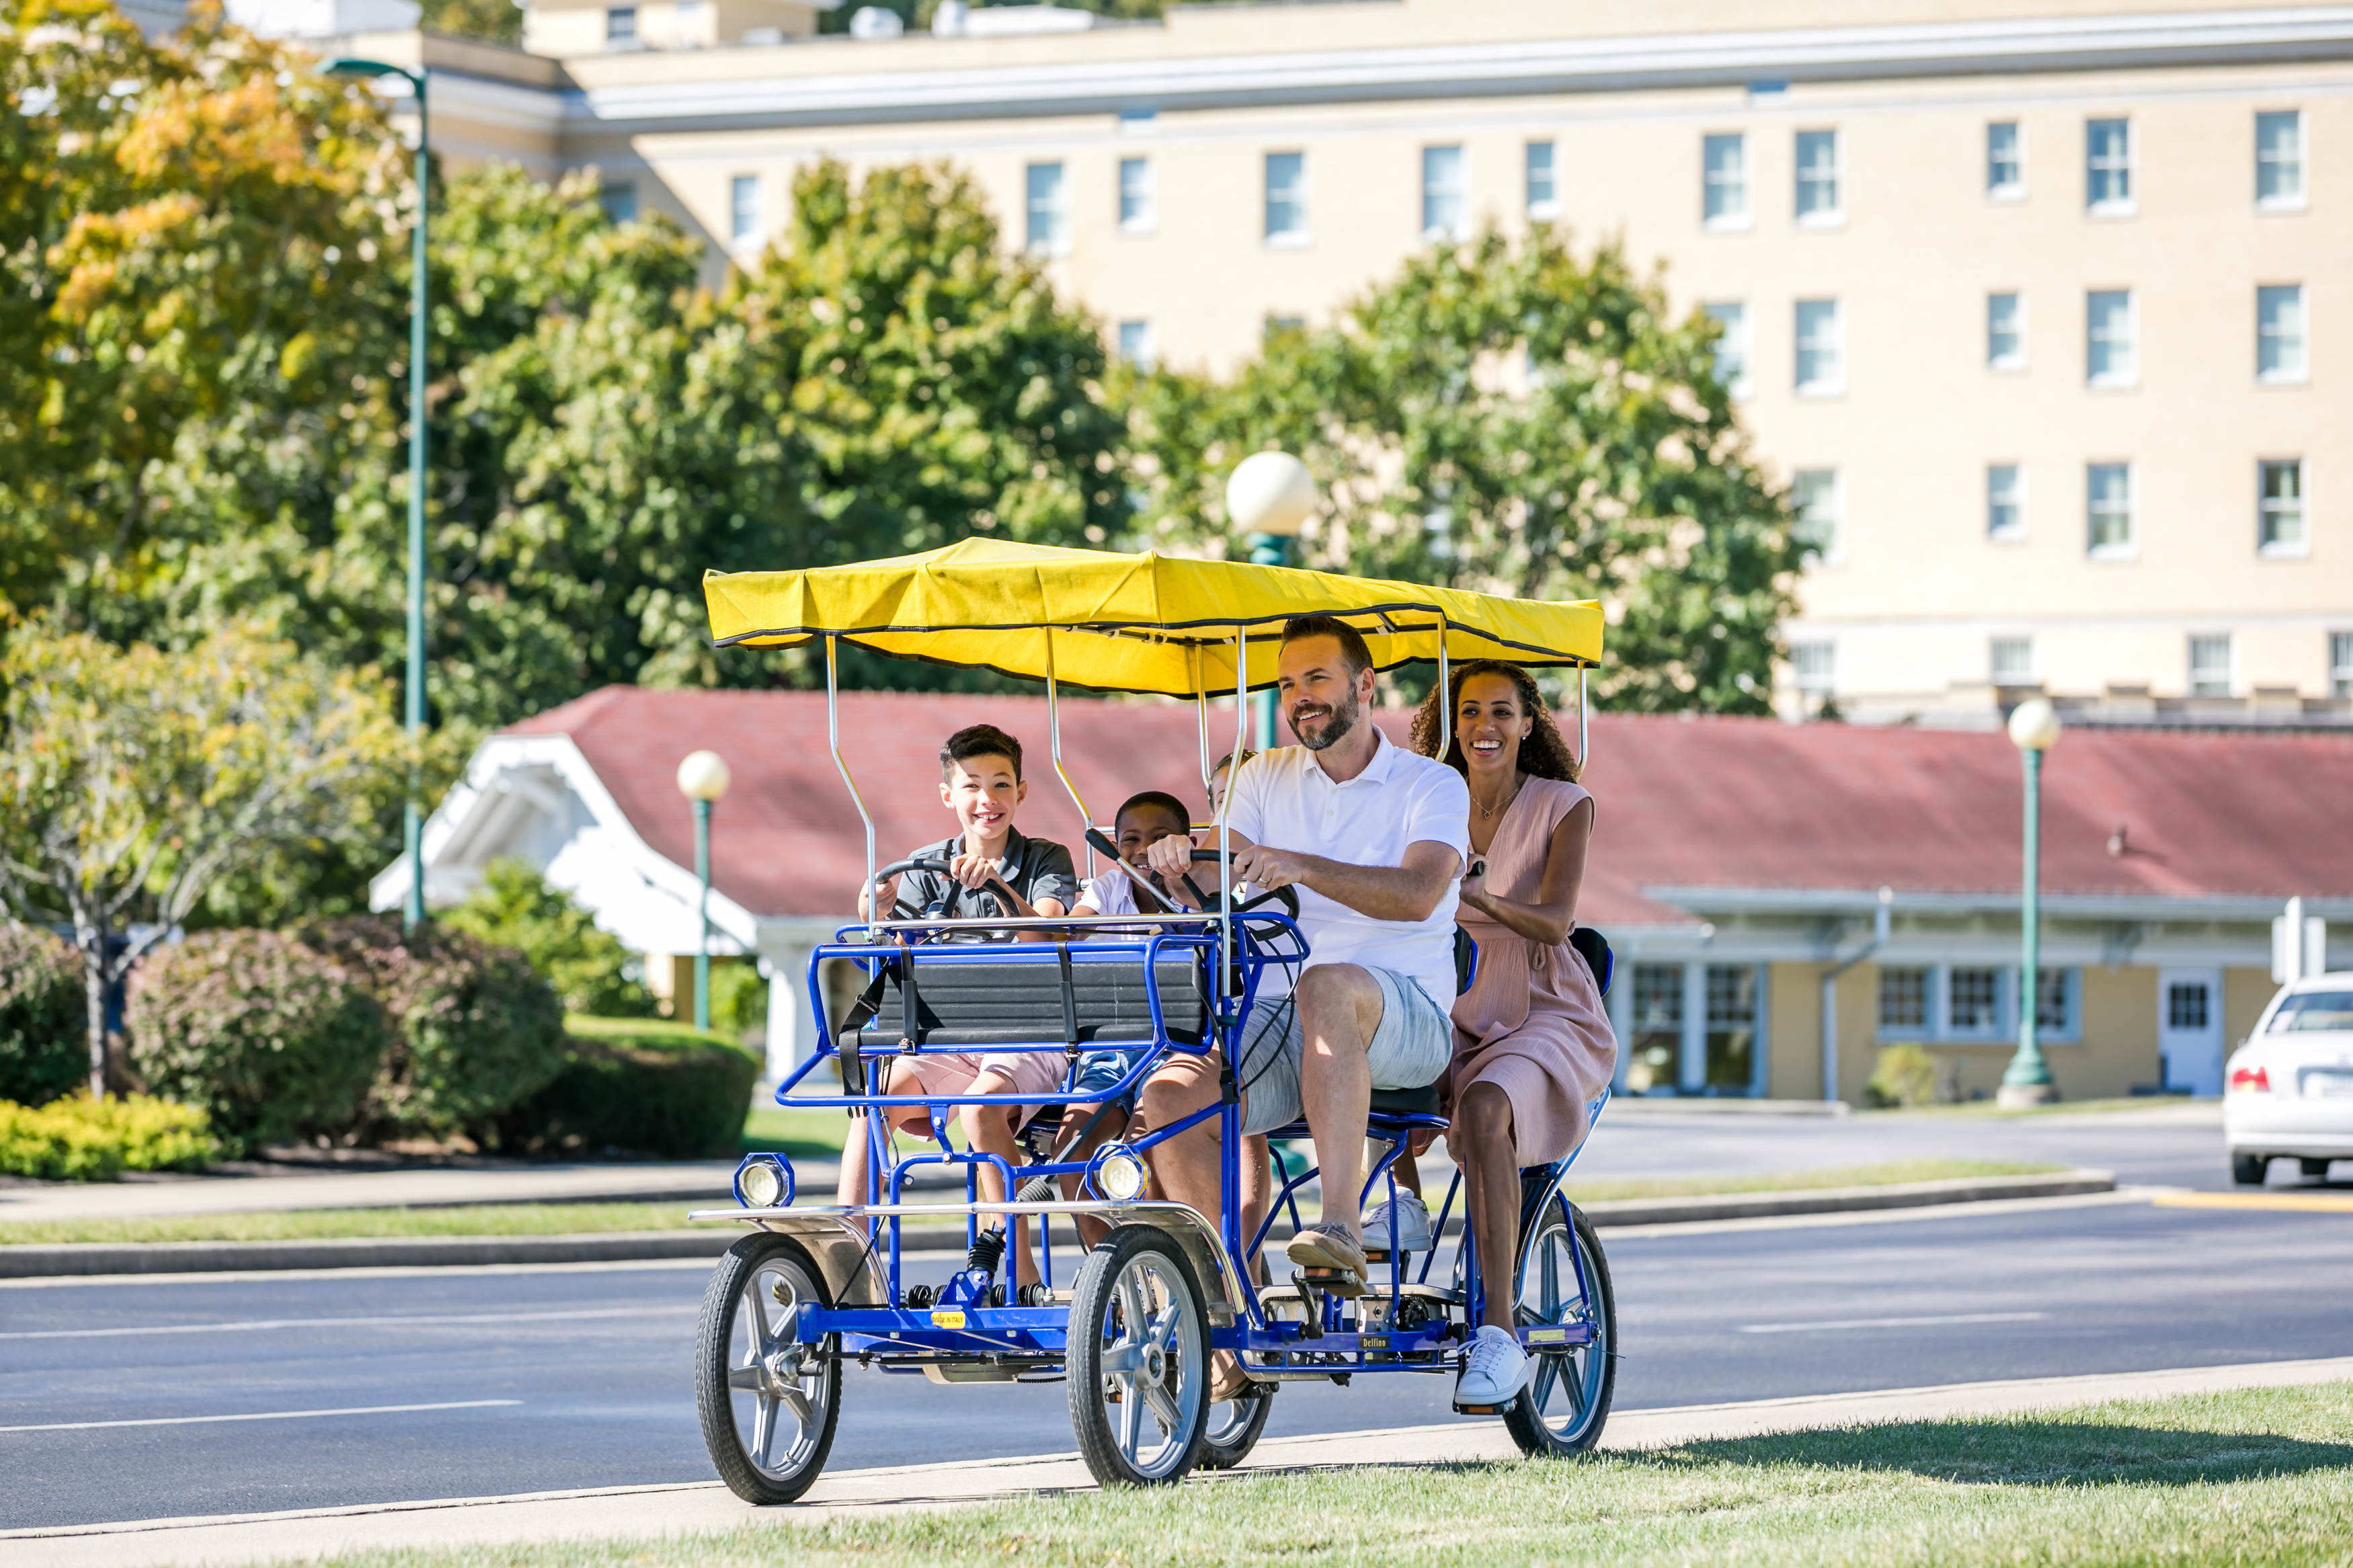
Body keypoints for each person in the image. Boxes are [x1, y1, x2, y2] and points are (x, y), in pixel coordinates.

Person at [1137, 615, 1466, 1347]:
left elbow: (1417, 892)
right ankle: (1217, 1292)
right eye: (1286, 683)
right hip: (1284, 1019)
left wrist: (1299, 864)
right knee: (1169, 1091)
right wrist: (1181, 850)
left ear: (1364, 684)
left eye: (1315, 678)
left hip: (1404, 1016)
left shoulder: (1432, 782)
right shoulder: (1261, 776)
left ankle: (1340, 1227)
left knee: (1325, 985)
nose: (1298, 696)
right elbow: (1226, 854)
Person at [1388, 659, 1616, 1410]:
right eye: (1468, 710)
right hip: (1447, 990)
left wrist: (1477, 895)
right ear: (1450, 723)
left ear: (1527, 723)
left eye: (1500, 711)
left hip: (1541, 1002)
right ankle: (1400, 1201)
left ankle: (1496, 1332)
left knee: (1485, 1108)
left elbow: (1555, 920)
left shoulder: (1562, 803)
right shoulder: (1425, 798)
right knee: (1353, 1049)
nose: (1483, 725)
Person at [837, 723, 1078, 1298]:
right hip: (950, 1034)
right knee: (872, 1100)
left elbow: (1045, 934)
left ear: (1021, 792)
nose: (986, 800)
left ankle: (1020, 1273)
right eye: (971, 786)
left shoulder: (1047, 858)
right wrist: (882, 914)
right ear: (950, 796)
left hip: (1030, 1031)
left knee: (978, 1107)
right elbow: (898, 953)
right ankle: (846, 1250)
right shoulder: (923, 866)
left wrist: (997, 886)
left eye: (1000, 785)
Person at [1058, 789, 1200, 1245]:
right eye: (1130, 841)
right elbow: (1072, 930)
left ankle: (1165, 1268)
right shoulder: (1106, 889)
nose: (1143, 851)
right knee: (1072, 1153)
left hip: (1172, 1046)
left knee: (1146, 1153)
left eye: (1159, 837)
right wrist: (1078, 929)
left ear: (1185, 844)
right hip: (1110, 1047)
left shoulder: (1198, 889)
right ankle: (1110, 1269)